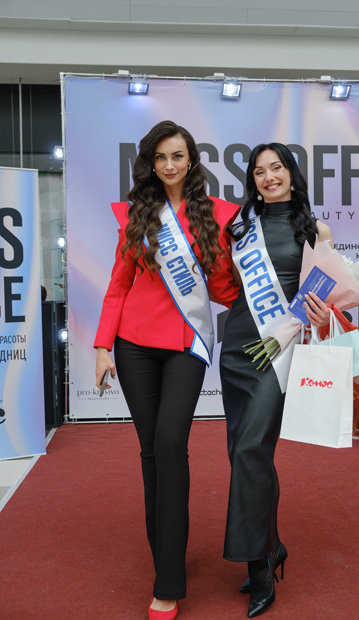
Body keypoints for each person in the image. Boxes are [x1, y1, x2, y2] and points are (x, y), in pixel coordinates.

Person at [94, 120, 239, 620]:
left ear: (191, 160)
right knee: (151, 450)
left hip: (185, 346)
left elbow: (223, 287)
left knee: (171, 444)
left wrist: (272, 306)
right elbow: (118, 284)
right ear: (151, 164)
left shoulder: (217, 214)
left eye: (177, 155)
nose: (169, 164)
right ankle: (166, 554)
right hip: (133, 344)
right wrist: (102, 346)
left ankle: (168, 582)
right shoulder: (138, 213)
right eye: (160, 157)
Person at [219, 143, 332, 618]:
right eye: (260, 171)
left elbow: (322, 296)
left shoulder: (315, 229)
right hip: (237, 348)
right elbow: (228, 284)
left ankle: (260, 565)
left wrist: (318, 314)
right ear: (252, 180)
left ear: (291, 173)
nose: (269, 177)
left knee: (250, 450)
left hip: (278, 350)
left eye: (277, 168)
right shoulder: (239, 227)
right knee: (247, 455)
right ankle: (273, 544)